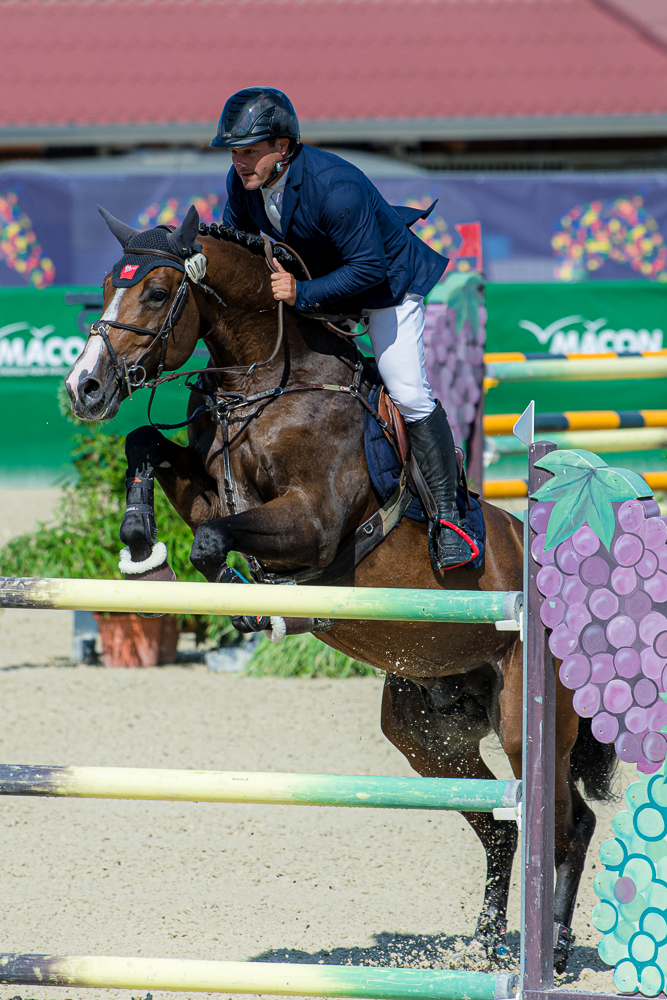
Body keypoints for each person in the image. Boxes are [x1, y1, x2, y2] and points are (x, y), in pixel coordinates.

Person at [211, 87, 476, 571]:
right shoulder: (241, 184)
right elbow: (240, 250)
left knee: (408, 391)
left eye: (249, 150)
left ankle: (449, 518)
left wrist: (301, 296)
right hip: (315, 283)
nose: (239, 161)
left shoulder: (336, 188)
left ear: (284, 147)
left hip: (384, 286)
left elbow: (368, 270)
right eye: (234, 151)